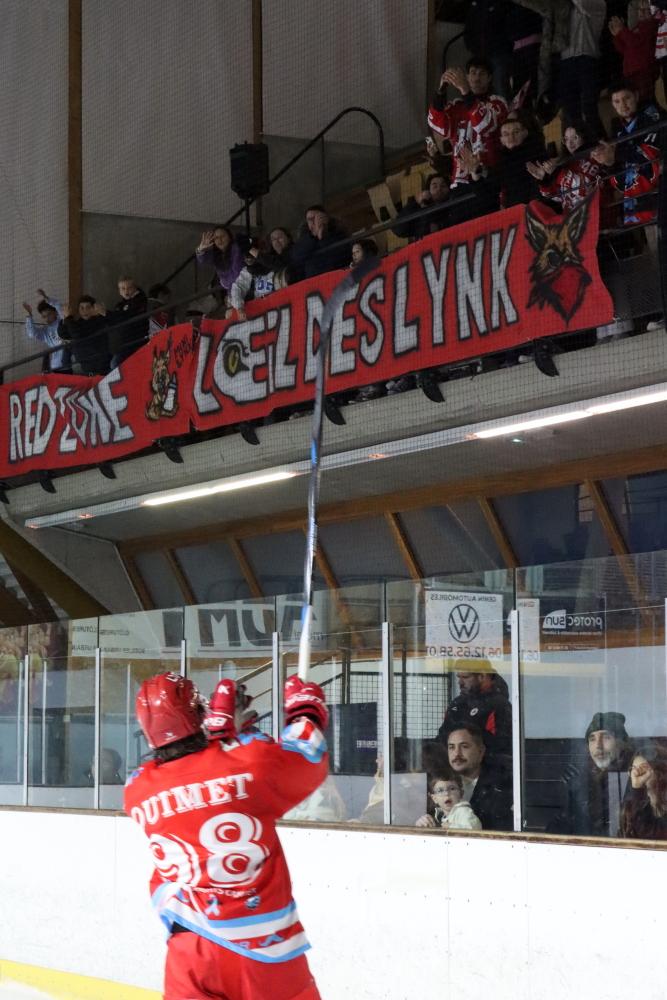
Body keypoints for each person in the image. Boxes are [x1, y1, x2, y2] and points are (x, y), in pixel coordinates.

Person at [125, 671, 328, 1000]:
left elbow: (197, 777)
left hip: (189, 948)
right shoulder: (248, 763)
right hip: (262, 945)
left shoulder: (137, 789)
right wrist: (305, 714)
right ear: (197, 715)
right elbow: (307, 756)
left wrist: (226, 738)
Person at [548, 711, 634, 837]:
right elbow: (554, 834)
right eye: (592, 739)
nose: (598, 746)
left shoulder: (634, 775)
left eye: (606, 737)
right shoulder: (584, 778)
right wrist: (571, 802)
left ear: (622, 743)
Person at [428, 57, 508, 190]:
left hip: (488, 178)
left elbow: (484, 124)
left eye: (482, 73)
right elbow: (436, 124)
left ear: (489, 78)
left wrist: (465, 91)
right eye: (473, 73)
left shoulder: (498, 103)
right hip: (459, 182)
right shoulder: (457, 106)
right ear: (467, 77)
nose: (476, 78)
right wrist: (441, 91)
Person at [591, 82, 665, 225]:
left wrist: (615, 154)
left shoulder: (652, 115)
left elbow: (650, 153)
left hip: (659, 194)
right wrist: (609, 162)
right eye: (617, 101)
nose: (623, 105)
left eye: (627, 98)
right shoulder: (618, 129)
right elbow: (619, 178)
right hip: (637, 205)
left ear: (636, 96)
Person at [438, 659, 513, 760]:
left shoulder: (499, 705)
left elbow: (500, 745)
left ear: (482, 676)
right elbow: (443, 735)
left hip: (485, 766)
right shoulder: (457, 704)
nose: (460, 682)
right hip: (453, 763)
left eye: (465, 677)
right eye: (459, 677)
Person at [443, 724, 513, 830]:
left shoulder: (501, 787)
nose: (457, 753)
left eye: (464, 746)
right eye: (451, 747)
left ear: (481, 751)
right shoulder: (440, 784)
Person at [527, 119, 603, 211]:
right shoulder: (566, 164)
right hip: (571, 217)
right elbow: (558, 197)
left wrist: (556, 172)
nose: (570, 143)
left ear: (585, 136)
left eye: (575, 137)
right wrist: (544, 181)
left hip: (593, 213)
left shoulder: (595, 158)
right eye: (566, 139)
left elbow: (583, 190)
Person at [559, 0, 607, 131]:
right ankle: (578, 141)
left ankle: (598, 139)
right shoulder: (563, 8)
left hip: (587, 59)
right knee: (570, 111)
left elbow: (582, 3)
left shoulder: (599, 3)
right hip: (565, 61)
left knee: (589, 107)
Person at [609, 2, 660, 102]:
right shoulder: (636, 27)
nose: (642, 12)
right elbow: (624, 49)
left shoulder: (651, 25)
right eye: (640, 10)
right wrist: (617, 36)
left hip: (643, 71)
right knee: (635, 100)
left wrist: (622, 31)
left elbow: (635, 42)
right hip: (631, 72)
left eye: (647, 10)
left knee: (644, 99)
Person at [620, 744, 667, 840]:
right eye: (633, 769)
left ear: (660, 771)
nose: (636, 775)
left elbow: (651, 838)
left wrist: (638, 790)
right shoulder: (630, 807)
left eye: (643, 769)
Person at [291, 205, 350, 280]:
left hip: (337, 276)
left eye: (317, 218)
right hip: (314, 280)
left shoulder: (338, 232)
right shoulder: (304, 238)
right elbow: (297, 257)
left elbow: (341, 254)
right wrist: (313, 236)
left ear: (326, 218)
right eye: (310, 219)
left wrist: (323, 236)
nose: (314, 222)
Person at [58, 295, 110, 376]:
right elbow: (64, 334)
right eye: (81, 307)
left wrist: (68, 317)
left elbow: (78, 334)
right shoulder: (78, 322)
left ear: (94, 309)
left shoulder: (99, 321)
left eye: (88, 307)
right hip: (85, 366)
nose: (84, 310)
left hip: (100, 367)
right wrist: (64, 317)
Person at [21, 289, 70, 372]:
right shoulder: (45, 331)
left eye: (49, 314)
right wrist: (29, 315)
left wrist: (46, 298)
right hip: (55, 366)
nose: (47, 318)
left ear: (55, 312)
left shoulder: (63, 320)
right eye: (44, 316)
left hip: (69, 364)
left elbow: (58, 307)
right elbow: (31, 333)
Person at [106, 276, 149, 368]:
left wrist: (106, 313)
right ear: (119, 291)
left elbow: (128, 316)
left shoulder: (140, 300)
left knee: (115, 364)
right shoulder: (121, 305)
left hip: (136, 342)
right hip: (124, 343)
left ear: (135, 288)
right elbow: (114, 321)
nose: (126, 291)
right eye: (123, 288)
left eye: (129, 288)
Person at [415, 774, 483, 831]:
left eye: (452, 789)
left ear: (461, 794)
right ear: (434, 798)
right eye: (440, 790)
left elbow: (474, 830)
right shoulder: (439, 816)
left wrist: (449, 827)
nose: (446, 794)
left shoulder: (463, 811)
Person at [196, 226, 244, 301]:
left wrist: (230, 294)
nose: (219, 240)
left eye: (222, 236)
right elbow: (203, 260)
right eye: (216, 238)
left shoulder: (236, 248)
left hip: (243, 288)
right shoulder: (216, 253)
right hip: (232, 290)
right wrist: (201, 249)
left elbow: (236, 274)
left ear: (229, 237)